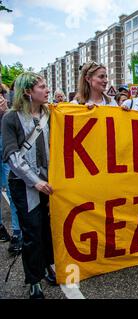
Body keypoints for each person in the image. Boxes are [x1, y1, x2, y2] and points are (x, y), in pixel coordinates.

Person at [1, 72, 56, 298]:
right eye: (42, 87)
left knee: (47, 229)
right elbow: (11, 155)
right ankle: (34, 280)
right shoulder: (11, 118)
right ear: (27, 92)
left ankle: (47, 266)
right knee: (32, 232)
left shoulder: (50, 113)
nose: (47, 90)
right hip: (24, 185)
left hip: (50, 182)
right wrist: (36, 182)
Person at [0, 83, 22, 253]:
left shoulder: (10, 112)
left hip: (4, 145)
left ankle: (17, 233)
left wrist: (4, 112)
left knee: (11, 189)